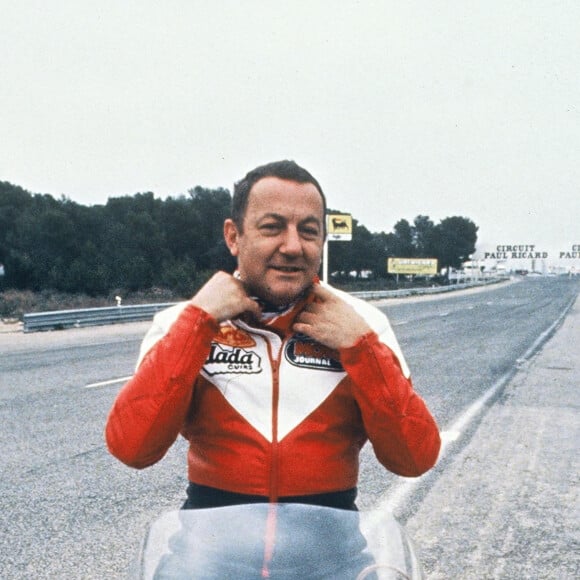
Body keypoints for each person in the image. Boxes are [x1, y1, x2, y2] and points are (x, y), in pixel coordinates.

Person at [105, 160, 441, 511]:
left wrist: (361, 349)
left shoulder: (363, 325)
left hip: (328, 558)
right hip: (213, 556)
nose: (293, 246)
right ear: (234, 237)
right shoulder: (181, 323)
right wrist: (198, 322)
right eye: (272, 228)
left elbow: (414, 458)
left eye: (309, 231)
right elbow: (132, 448)